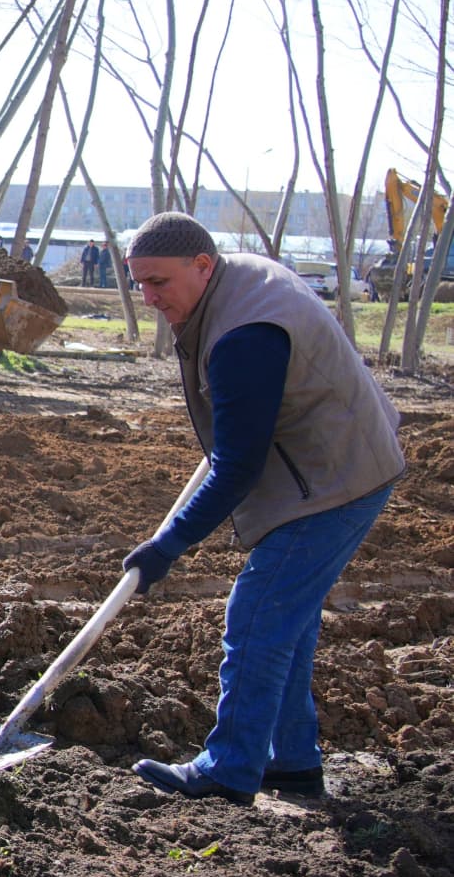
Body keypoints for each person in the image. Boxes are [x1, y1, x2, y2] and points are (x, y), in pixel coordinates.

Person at [120, 212, 403, 805]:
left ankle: (229, 768)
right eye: (138, 282)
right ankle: (292, 762)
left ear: (202, 265)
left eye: (159, 283)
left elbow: (238, 466)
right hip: (332, 462)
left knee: (256, 618)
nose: (148, 298)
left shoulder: (243, 334)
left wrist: (168, 545)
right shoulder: (233, 286)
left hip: (336, 480)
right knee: (285, 623)